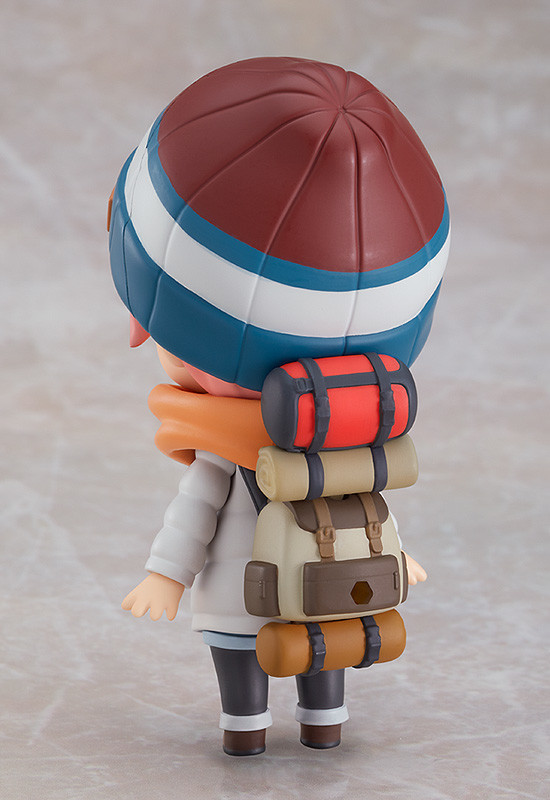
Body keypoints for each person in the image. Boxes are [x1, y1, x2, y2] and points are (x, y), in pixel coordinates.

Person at [108, 56, 449, 755]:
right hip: (305, 591)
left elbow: (199, 513)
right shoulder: (337, 450)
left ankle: (288, 725)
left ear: (149, 323)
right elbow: (359, 503)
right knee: (297, 654)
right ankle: (269, 727)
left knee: (293, 655)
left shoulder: (238, 453)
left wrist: (165, 575)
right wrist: (166, 575)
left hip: (278, 594)